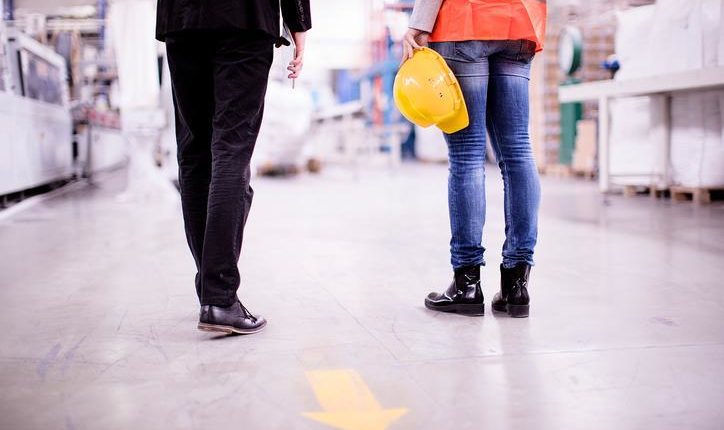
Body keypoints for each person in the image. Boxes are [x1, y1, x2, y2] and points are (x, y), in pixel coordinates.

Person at [156, 0, 311, 334]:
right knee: (231, 150)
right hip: (245, 17)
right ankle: (220, 297)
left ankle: (210, 290)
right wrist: (298, 21)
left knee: (196, 154)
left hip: (181, 19)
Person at [402, 0, 547, 318]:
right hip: (517, 23)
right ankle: (516, 285)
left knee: (467, 155)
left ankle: (466, 284)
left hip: (463, 20)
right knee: (518, 151)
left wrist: (419, 23)